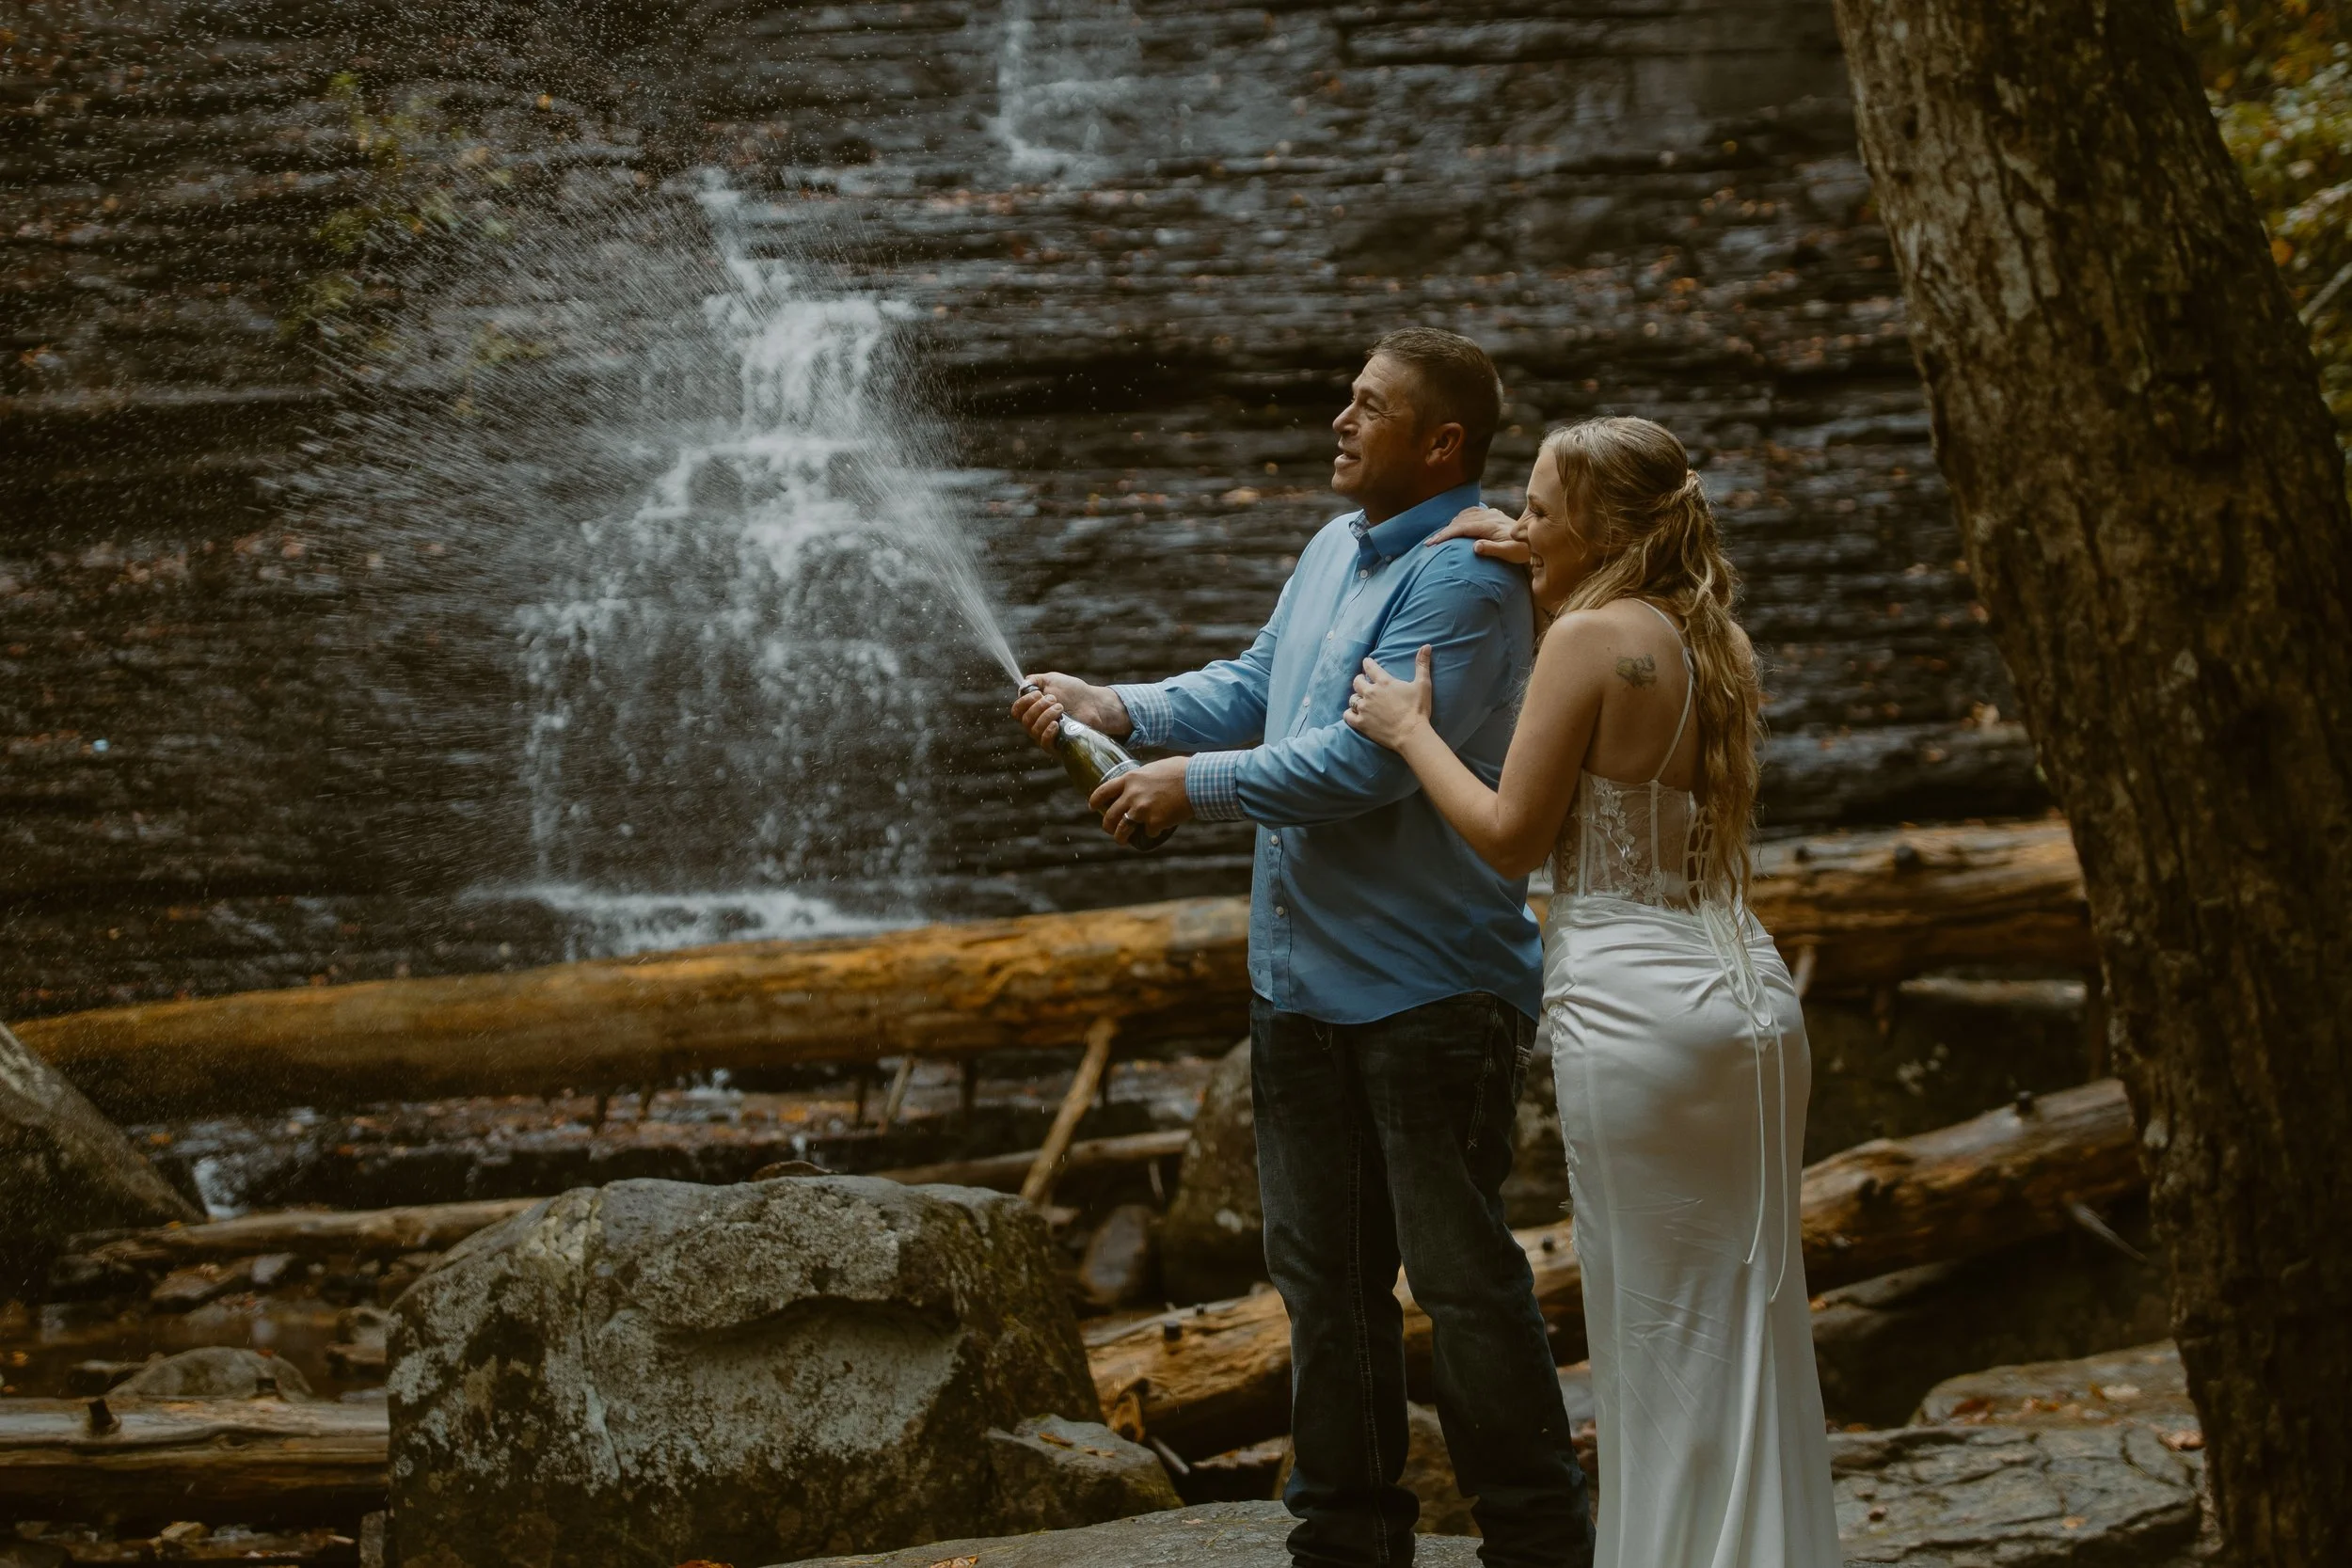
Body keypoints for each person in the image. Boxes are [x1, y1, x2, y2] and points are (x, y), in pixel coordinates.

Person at [1012, 327, 1593, 1568]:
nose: (1338, 419)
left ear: (1441, 442)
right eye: (1346, 399)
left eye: (1367, 406)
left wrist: (1189, 786)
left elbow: (1361, 763)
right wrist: (1114, 708)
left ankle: (1538, 1539)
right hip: (1299, 987)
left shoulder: (1467, 579)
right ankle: (1344, 1538)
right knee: (1325, 1285)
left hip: (1431, 991)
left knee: (1460, 1279)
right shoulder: (1334, 547)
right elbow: (1263, 682)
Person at [1344, 415, 1842, 1568]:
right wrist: (1531, 546)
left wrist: (1411, 730)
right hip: (1750, 1002)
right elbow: (1612, 659)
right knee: (1751, 1318)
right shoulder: (1713, 638)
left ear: (1603, 530)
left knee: (1653, 1334)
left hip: (1632, 1007)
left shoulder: (1585, 642)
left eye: (1538, 512)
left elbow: (1511, 839)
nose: (1519, 528)